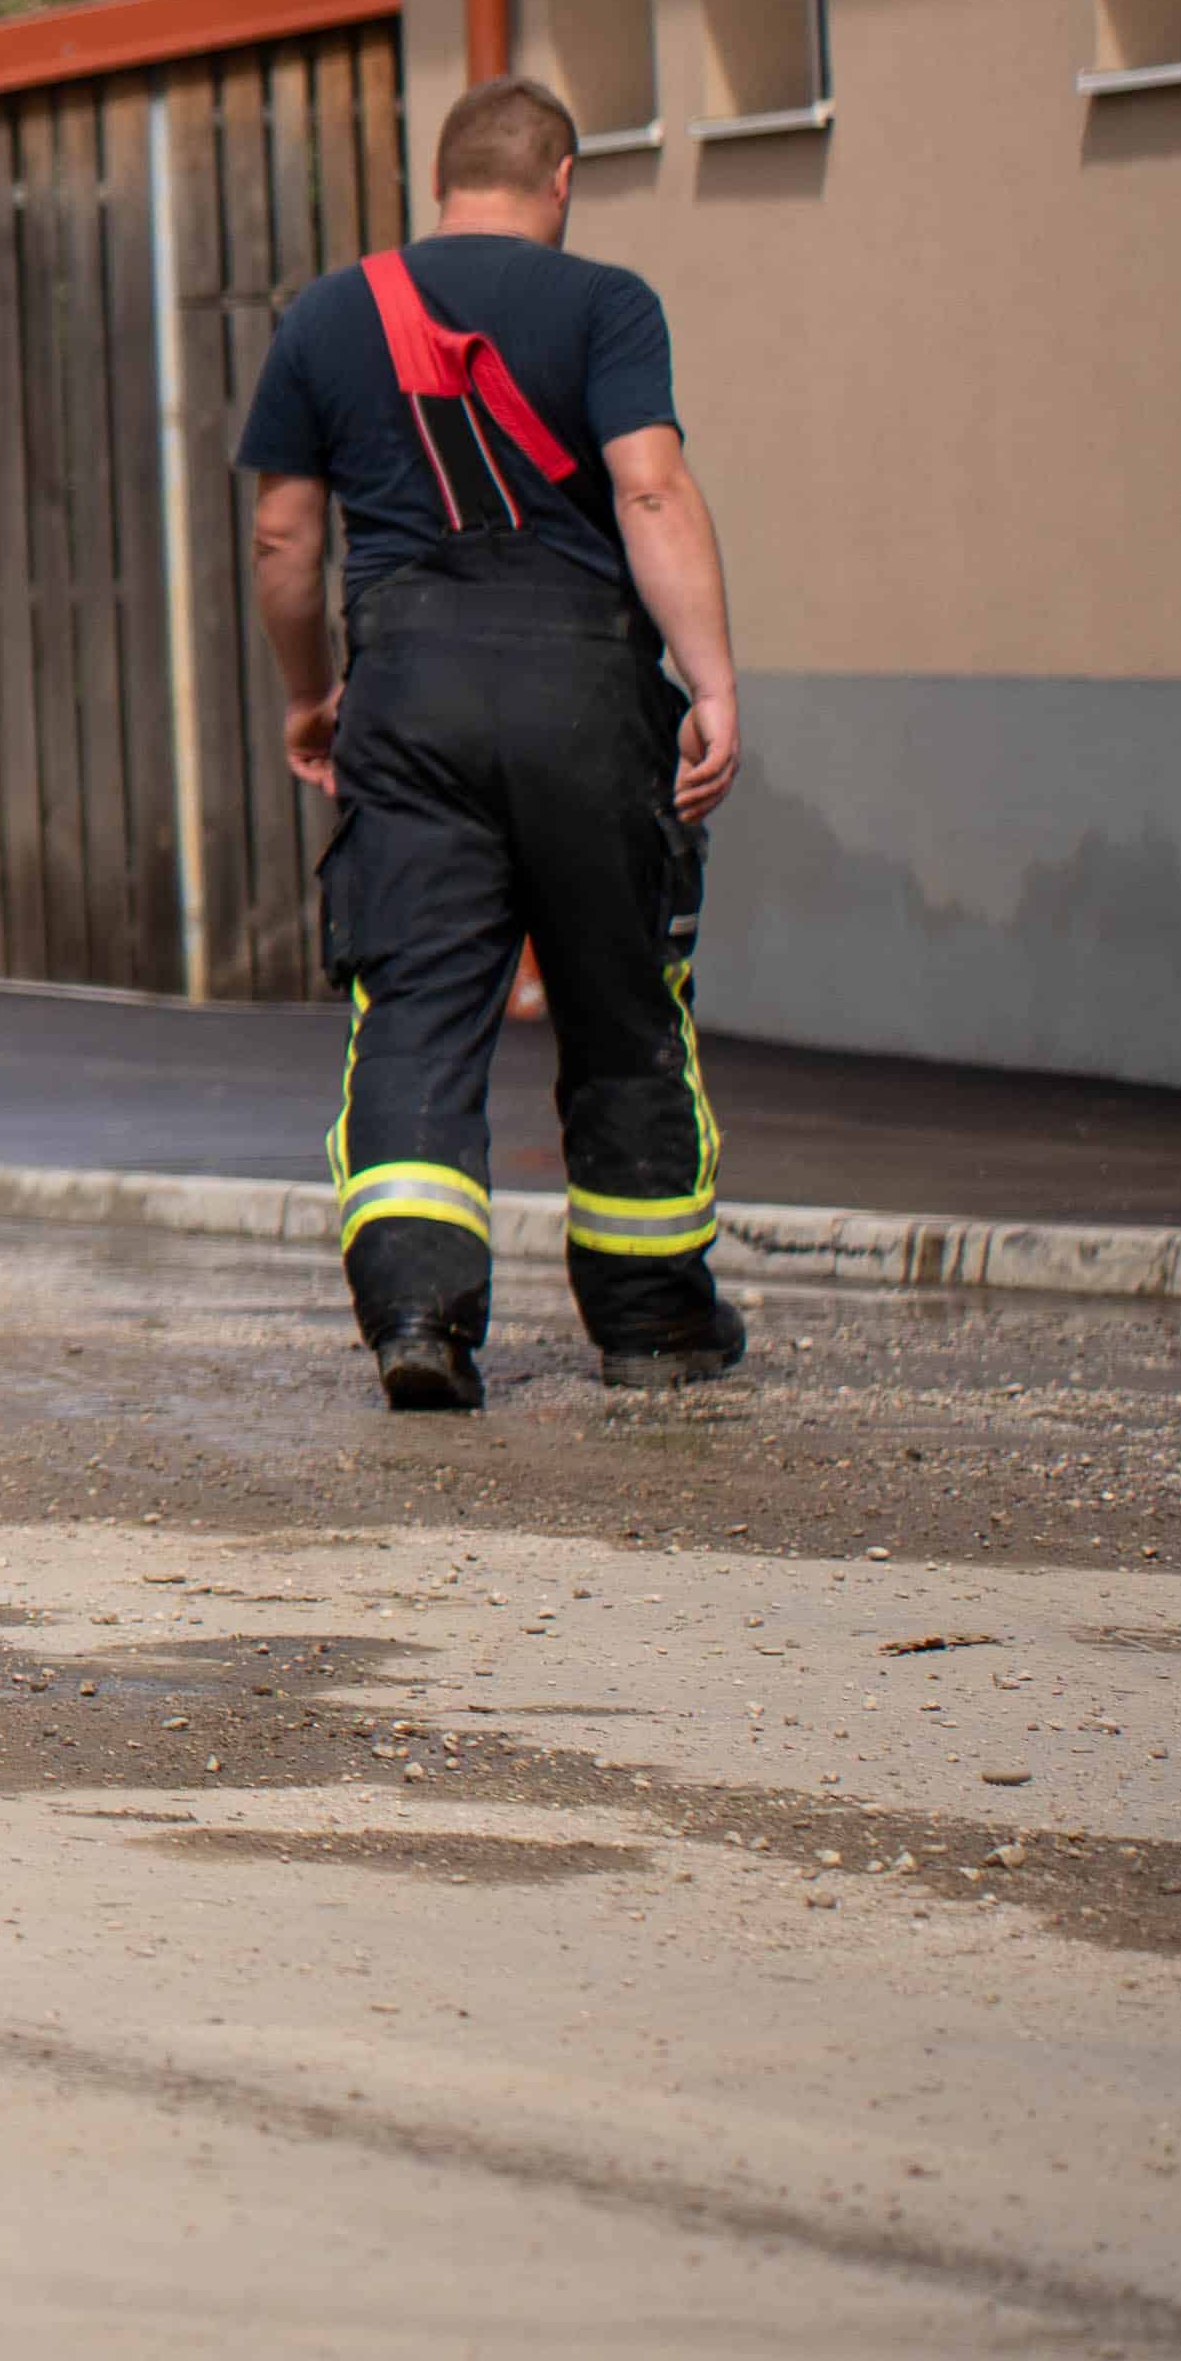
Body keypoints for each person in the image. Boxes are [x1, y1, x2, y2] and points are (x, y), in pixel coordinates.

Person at [237, 72, 749, 1413]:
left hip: (409, 695)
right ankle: (654, 1324)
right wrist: (711, 681)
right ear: (562, 181)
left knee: (416, 1002)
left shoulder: (329, 315)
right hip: (588, 694)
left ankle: (416, 1312)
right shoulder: (607, 306)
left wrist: (313, 692)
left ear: (440, 179)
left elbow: (285, 540)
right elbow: (648, 484)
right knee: (624, 1001)